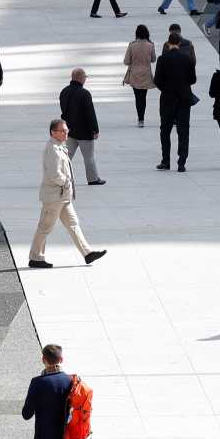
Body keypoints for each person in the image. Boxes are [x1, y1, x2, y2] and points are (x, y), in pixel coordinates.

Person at [27, 120, 105, 269]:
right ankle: (35, 257)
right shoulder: (53, 149)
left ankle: (87, 253)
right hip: (54, 197)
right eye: (62, 131)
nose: (66, 133)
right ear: (53, 132)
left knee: (73, 224)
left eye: (66, 130)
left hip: (63, 197)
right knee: (45, 226)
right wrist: (65, 182)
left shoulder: (60, 147)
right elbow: (54, 174)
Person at [154, 32, 195, 172]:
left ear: (168, 43)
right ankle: (182, 162)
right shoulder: (188, 59)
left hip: (167, 98)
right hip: (184, 98)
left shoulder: (162, 59)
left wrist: (166, 89)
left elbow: (157, 80)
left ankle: (166, 161)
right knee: (183, 130)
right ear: (179, 43)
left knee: (165, 130)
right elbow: (193, 79)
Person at [59, 68, 102, 185]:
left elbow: (63, 110)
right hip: (84, 132)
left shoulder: (64, 92)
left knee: (66, 157)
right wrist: (95, 130)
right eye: (84, 77)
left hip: (70, 130)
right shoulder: (85, 94)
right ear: (80, 78)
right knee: (89, 157)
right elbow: (90, 114)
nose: (85, 79)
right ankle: (93, 179)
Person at [122, 25, 156, 127]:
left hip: (134, 74)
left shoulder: (132, 45)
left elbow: (126, 61)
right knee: (143, 97)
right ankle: (142, 118)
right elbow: (153, 59)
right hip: (146, 73)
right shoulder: (150, 45)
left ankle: (140, 119)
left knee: (138, 97)